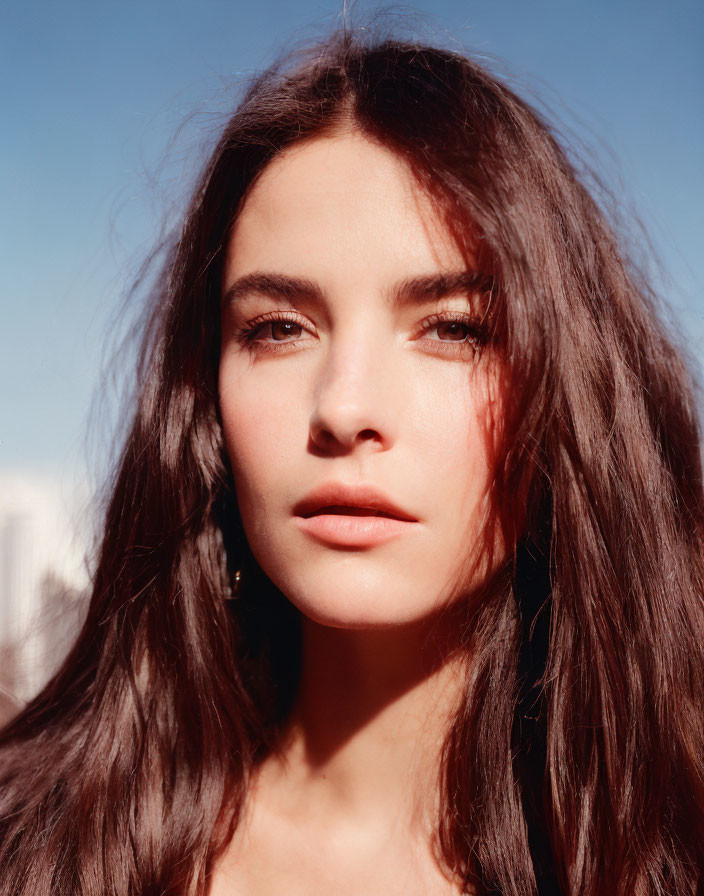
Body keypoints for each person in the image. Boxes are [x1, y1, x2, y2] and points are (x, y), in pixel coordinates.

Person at [0, 29, 702, 896]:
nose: (344, 407)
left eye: (452, 329)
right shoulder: (34, 845)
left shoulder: (670, 851)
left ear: (575, 389)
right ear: (204, 397)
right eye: (278, 329)